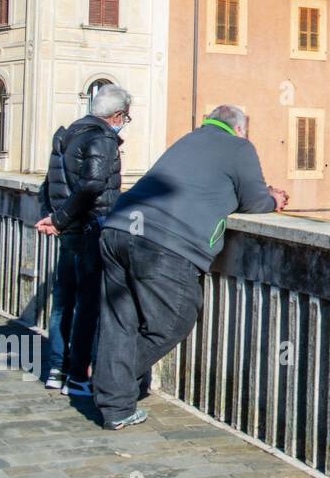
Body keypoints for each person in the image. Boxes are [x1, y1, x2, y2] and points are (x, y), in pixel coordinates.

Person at [92, 105, 287, 430]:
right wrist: (273, 199)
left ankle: (115, 407)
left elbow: (205, 187)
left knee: (120, 320)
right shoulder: (239, 147)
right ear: (240, 129)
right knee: (176, 318)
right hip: (162, 241)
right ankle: (110, 382)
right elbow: (254, 202)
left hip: (116, 229)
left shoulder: (188, 140)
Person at [36, 84, 130, 397]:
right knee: (88, 303)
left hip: (70, 229)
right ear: (116, 114)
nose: (123, 124)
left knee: (64, 299)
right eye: (124, 118)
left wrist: (54, 218)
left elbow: (48, 185)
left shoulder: (67, 133)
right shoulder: (102, 137)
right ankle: (78, 376)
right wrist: (61, 220)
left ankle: (55, 369)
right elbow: (92, 184)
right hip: (91, 227)